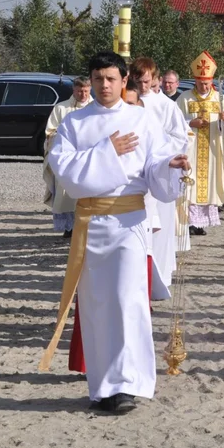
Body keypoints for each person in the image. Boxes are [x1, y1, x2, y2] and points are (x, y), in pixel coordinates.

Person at [46, 51, 190, 414]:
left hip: (129, 223)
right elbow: (66, 173)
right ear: (90, 81)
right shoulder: (75, 124)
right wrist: (106, 151)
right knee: (97, 306)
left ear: (124, 80)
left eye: (111, 79)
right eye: (98, 79)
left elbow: (155, 162)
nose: (104, 85)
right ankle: (103, 386)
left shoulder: (141, 119)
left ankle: (126, 385)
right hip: (91, 224)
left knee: (128, 301)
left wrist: (169, 164)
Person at [128, 58, 188, 289]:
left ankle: (159, 279)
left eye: (146, 81)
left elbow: (180, 137)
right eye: (138, 81)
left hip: (160, 173)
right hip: (133, 175)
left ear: (154, 79)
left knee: (159, 230)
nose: (143, 87)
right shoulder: (125, 102)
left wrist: (161, 154)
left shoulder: (165, 105)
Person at [175, 53, 224, 238]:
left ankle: (201, 224)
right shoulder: (185, 98)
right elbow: (174, 123)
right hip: (191, 150)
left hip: (211, 151)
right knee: (190, 184)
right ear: (195, 80)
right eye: (201, 83)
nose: (204, 86)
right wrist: (189, 123)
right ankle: (189, 222)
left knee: (208, 184)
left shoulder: (219, 99)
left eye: (207, 83)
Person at [43, 77, 92, 238]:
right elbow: (50, 133)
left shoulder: (96, 107)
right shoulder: (61, 108)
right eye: (79, 91)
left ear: (90, 89)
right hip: (67, 159)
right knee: (66, 195)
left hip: (88, 159)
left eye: (86, 91)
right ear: (74, 90)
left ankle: (87, 226)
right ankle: (69, 227)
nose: (83, 94)